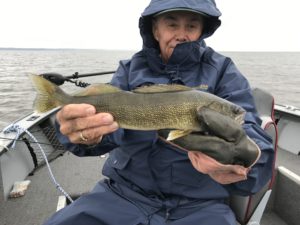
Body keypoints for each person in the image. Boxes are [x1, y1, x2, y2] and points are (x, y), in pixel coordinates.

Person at [44, 0, 274, 224]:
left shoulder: (224, 71)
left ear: (202, 31)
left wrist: (244, 158)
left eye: (192, 26)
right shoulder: (129, 69)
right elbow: (104, 132)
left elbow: (252, 136)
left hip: (200, 205)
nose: (181, 34)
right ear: (155, 30)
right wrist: (82, 134)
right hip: (123, 194)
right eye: (172, 24)